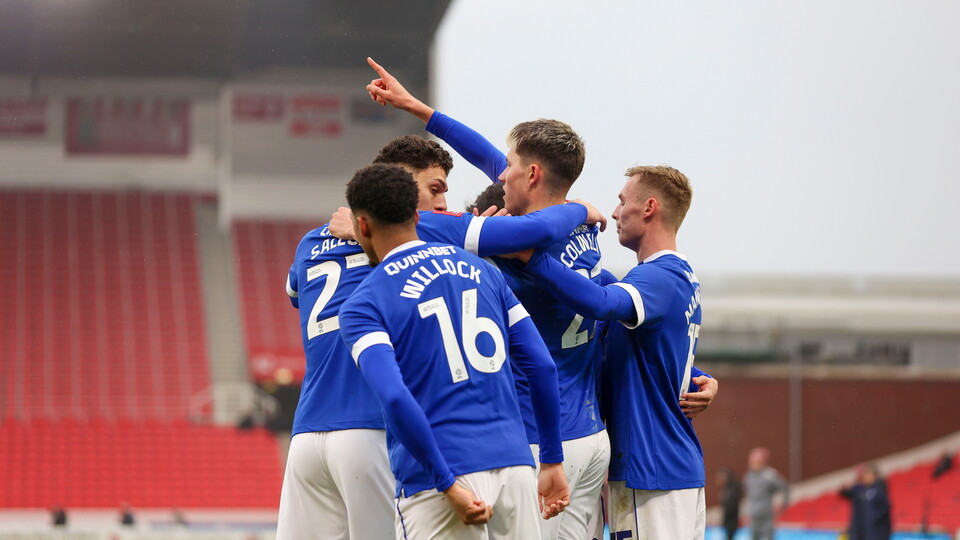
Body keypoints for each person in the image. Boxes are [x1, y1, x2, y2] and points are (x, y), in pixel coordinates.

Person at [365, 56, 719, 540]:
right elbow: (492, 160)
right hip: (593, 438)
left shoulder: (514, 240)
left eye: (509, 166)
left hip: (543, 438)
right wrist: (420, 110)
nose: (500, 173)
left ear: (531, 174)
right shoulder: (583, 231)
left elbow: (553, 263)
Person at [278, 136, 603, 540]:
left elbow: (295, 292)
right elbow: (533, 232)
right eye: (434, 189)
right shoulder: (453, 249)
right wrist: (578, 209)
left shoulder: (311, 243)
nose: (443, 203)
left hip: (308, 432)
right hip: (383, 430)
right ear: (400, 185)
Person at [337, 164, 570, 539]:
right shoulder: (486, 272)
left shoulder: (362, 304)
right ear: (417, 216)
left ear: (361, 225)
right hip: (514, 466)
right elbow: (542, 366)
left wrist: (446, 483)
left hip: (442, 478)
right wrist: (553, 460)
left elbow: (395, 398)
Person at [514, 165, 709, 539]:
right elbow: (660, 349)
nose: (615, 213)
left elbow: (601, 303)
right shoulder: (680, 275)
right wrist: (703, 377)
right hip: (673, 465)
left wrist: (530, 257)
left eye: (622, 201)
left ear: (649, 208)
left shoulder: (657, 277)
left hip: (650, 467)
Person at [743, 447, 789, 540]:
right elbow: (749, 496)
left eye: (755, 461)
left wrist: (783, 504)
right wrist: (746, 512)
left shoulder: (770, 475)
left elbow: (785, 488)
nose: (752, 463)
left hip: (767, 517)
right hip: (754, 517)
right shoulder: (748, 477)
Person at [840, 463, 892, 540]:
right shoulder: (863, 490)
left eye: (867, 474)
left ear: (874, 475)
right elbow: (847, 493)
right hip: (863, 532)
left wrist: (872, 520)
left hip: (877, 532)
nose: (865, 477)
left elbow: (885, 508)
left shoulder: (879, 489)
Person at [718, 468, 742, 540]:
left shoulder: (732, 489)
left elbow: (731, 506)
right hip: (729, 520)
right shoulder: (727, 489)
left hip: (732, 520)